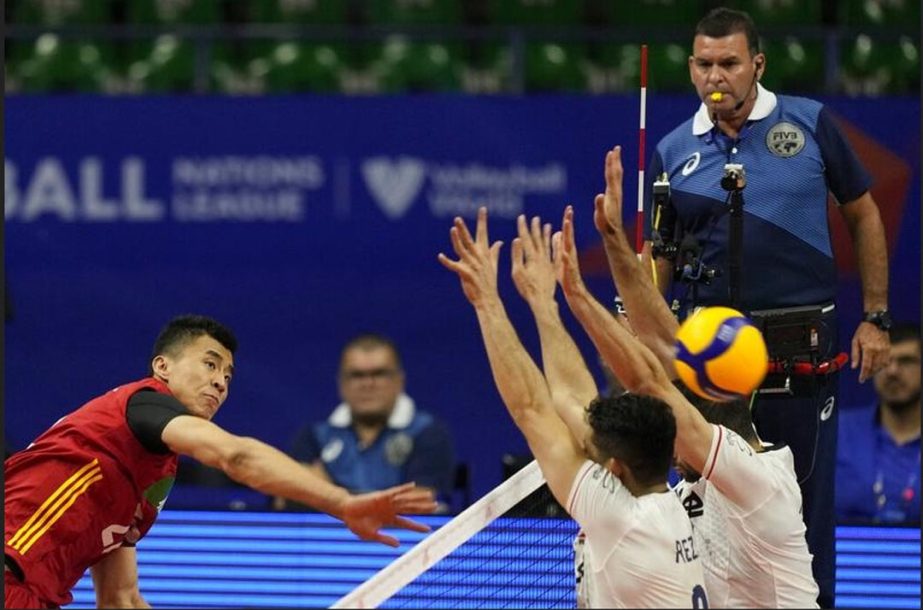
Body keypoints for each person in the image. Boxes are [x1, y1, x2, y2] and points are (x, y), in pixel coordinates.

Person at [641, 8, 890, 606]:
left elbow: (863, 212)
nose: (715, 75)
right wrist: (646, 340)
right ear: (691, 67)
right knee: (707, 516)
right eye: (704, 63)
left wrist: (875, 316)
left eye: (729, 62)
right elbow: (659, 259)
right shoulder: (675, 149)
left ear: (758, 63)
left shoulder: (809, 124)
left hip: (798, 357)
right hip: (706, 365)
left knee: (802, 518)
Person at [4, 315, 437, 609]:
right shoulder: (143, 405)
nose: (219, 382)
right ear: (163, 367)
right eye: (210, 364)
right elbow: (237, 456)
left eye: (227, 375)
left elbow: (121, 599)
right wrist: (341, 503)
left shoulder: (153, 470)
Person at [582, 145, 819, 607]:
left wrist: (574, 297)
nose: (670, 453)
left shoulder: (757, 478)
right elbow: (666, 346)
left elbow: (650, 381)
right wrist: (614, 243)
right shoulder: (713, 473)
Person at [439, 207, 707, 608]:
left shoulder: (621, 520)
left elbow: (533, 409)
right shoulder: (667, 503)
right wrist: (542, 304)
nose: (584, 434)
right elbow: (575, 403)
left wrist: (487, 302)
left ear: (614, 469)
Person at [280, 334, 456, 510]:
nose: (368, 384)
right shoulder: (314, 437)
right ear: (341, 383)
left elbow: (418, 505)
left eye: (379, 374)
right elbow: (283, 501)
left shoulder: (427, 433)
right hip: (329, 536)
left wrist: (326, 492)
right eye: (357, 375)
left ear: (399, 381)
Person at [837, 322, 921, 524]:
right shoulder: (839, 432)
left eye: (906, 361)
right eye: (883, 362)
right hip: (847, 551)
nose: (892, 371)